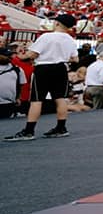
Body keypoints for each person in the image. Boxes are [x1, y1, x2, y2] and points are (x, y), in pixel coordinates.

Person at [4, 13, 78, 141]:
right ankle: (61, 127)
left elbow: (32, 54)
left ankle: (29, 130)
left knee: (37, 99)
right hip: (61, 68)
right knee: (60, 98)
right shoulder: (70, 39)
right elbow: (75, 58)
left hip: (44, 68)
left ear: (57, 23)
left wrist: (20, 55)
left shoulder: (47, 36)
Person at [0, 46, 27, 120]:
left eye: (9, 55)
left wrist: (18, 98)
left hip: (8, 104)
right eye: (6, 55)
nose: (8, 57)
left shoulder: (17, 70)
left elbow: (20, 85)